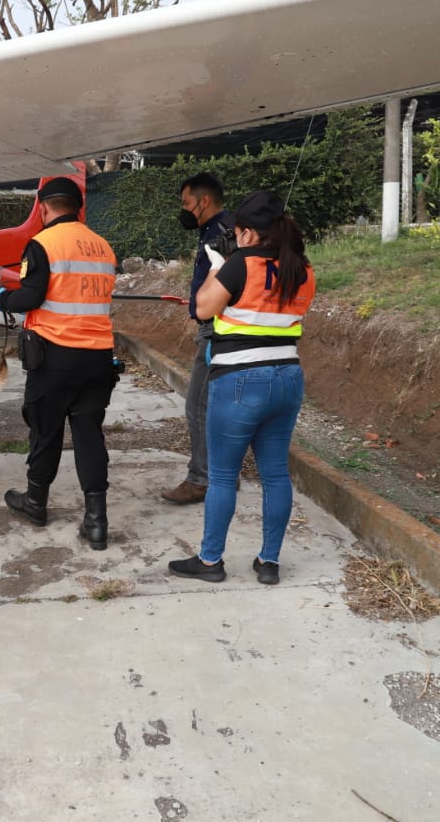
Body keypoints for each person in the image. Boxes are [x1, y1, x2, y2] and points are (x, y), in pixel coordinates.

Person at [168, 191, 315, 584]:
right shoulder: (303, 268)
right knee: (275, 474)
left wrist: (219, 267)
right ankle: (269, 562)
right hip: (287, 377)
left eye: (237, 233)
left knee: (221, 475)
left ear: (247, 233)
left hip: (239, 380)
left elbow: (202, 308)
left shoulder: (239, 265)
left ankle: (211, 561)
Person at [0, 177, 118, 550]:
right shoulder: (103, 246)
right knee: (89, 434)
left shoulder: (43, 243)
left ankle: (35, 502)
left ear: (42, 207)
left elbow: (32, 295)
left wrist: (3, 299)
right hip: (98, 358)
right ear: (79, 207)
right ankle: (96, 521)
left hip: (55, 357)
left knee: (45, 431)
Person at [161, 172, 236, 506]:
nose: (184, 209)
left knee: (199, 407)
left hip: (217, 331)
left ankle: (201, 480)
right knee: (215, 408)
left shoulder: (221, 234)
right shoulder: (221, 229)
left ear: (204, 201)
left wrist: (203, 309)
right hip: (222, 328)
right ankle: (222, 475)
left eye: (187, 202)